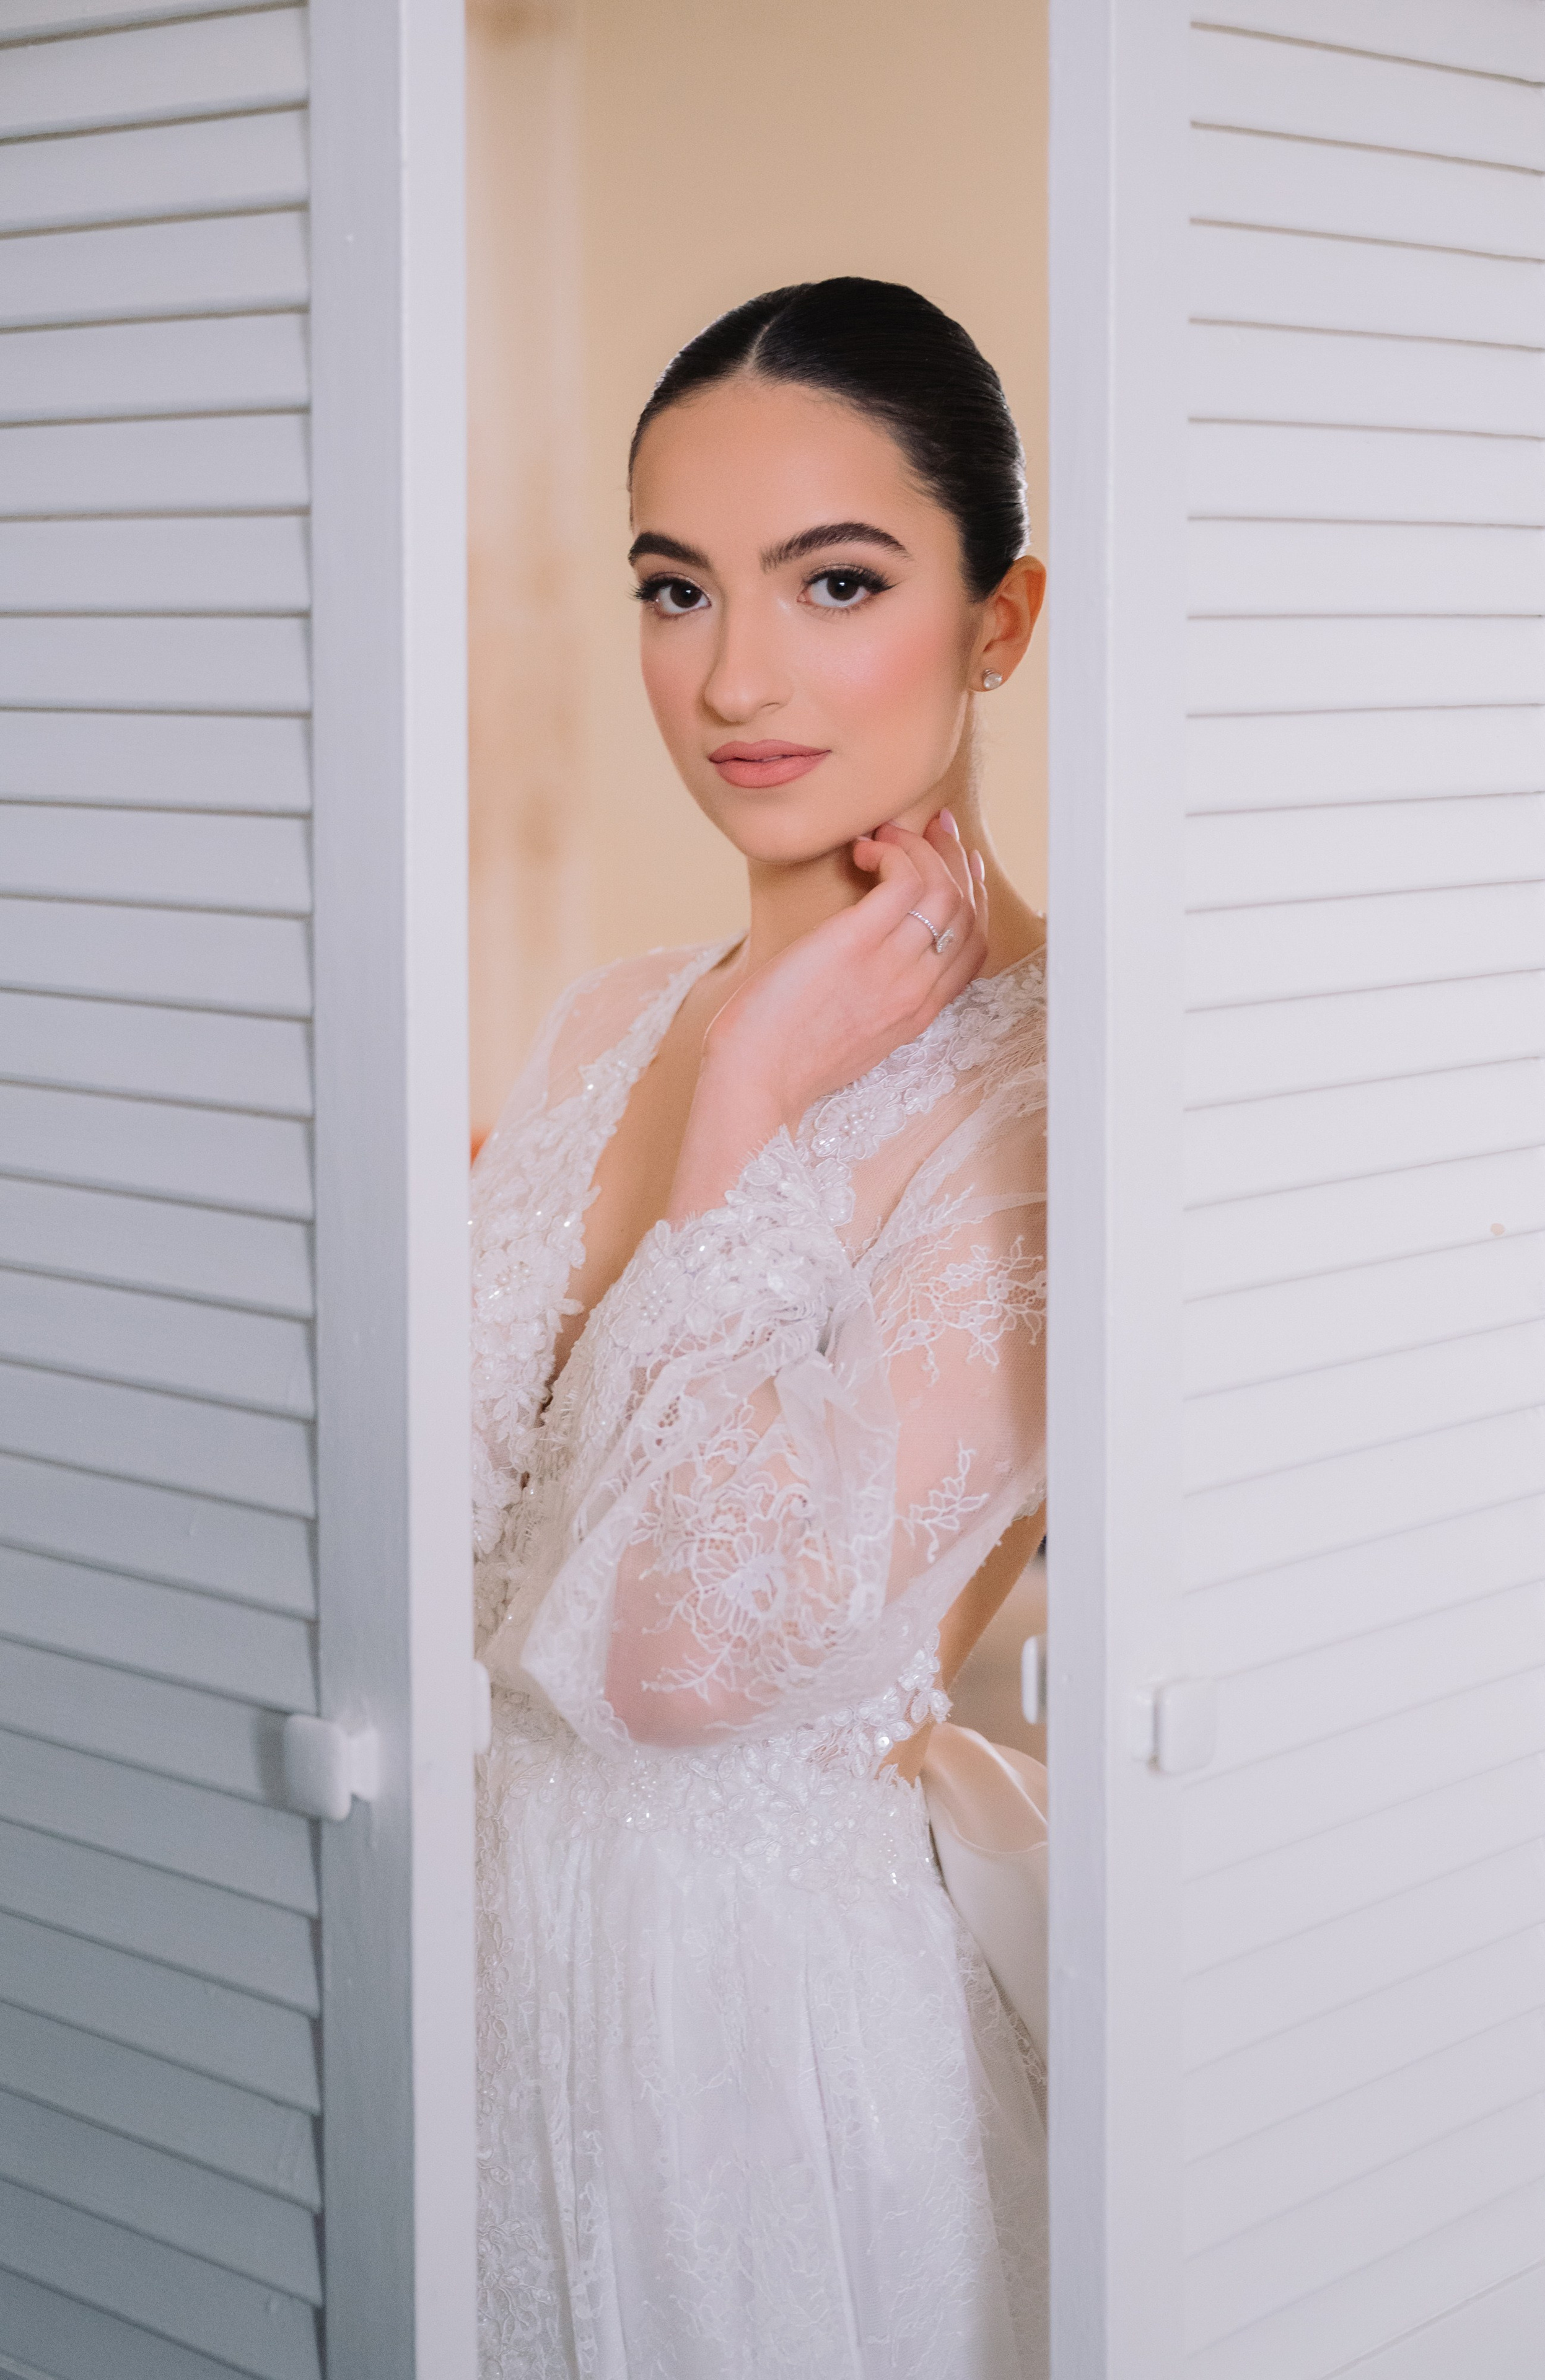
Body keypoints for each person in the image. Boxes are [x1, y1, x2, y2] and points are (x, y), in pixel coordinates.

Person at [471, 276, 1048, 2379]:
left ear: (999, 621)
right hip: (465, 1977)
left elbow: (674, 1663)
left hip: (756, 2065)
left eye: (837, 581)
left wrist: (748, 1104)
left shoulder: (1052, 1104)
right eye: (675, 587)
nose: (733, 675)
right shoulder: (604, 1019)